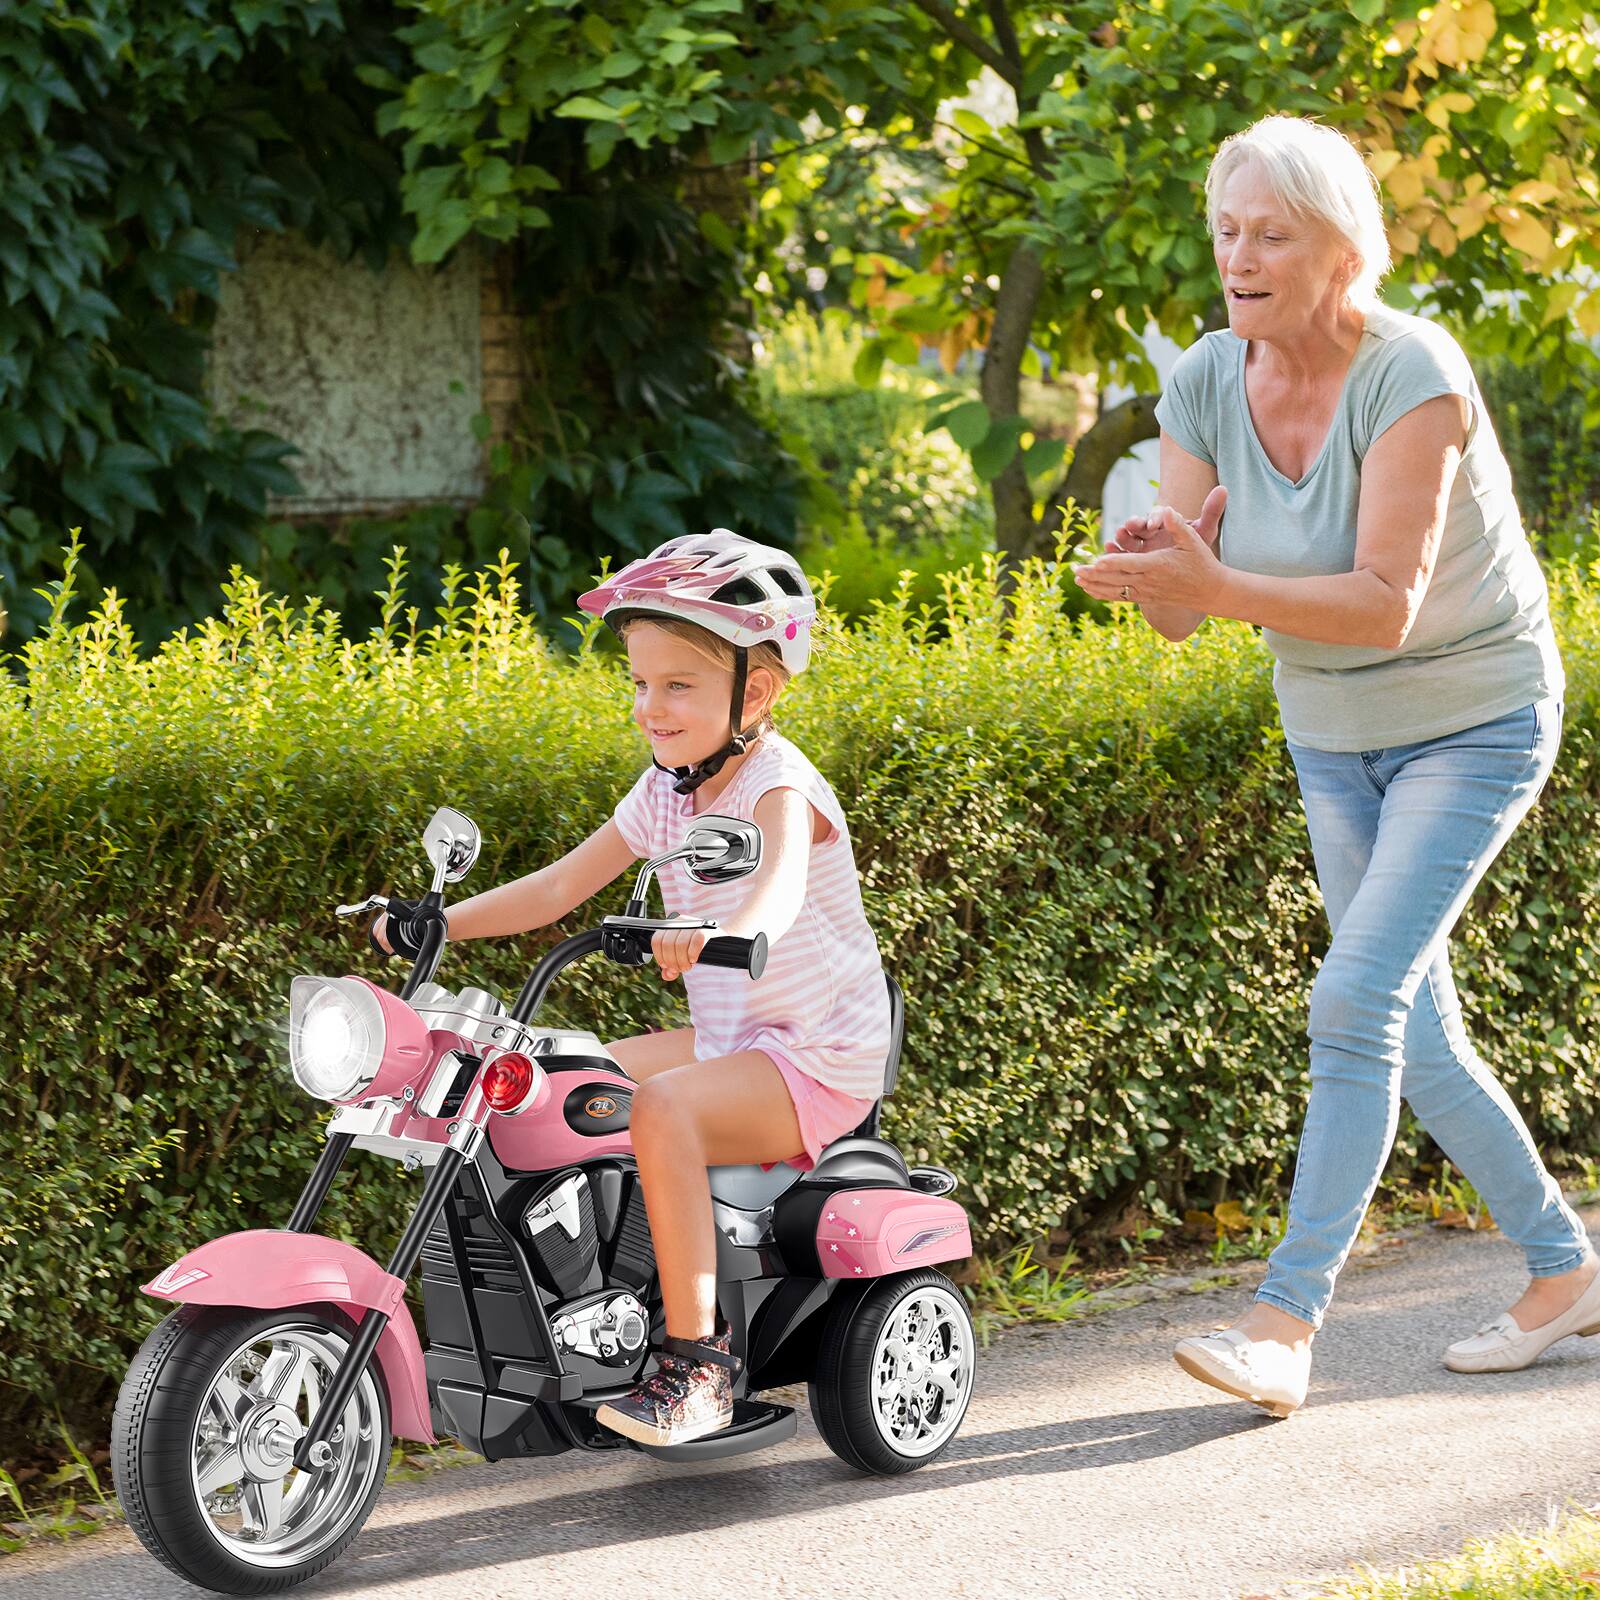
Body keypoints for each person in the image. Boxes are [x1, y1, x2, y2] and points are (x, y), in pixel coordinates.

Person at [1072, 114, 1598, 1417]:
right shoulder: (1205, 379)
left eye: (1271, 233)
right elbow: (1190, 612)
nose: (1238, 257)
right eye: (1226, 231)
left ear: (1342, 250)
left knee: (1354, 1001)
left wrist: (1212, 582)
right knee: (1415, 1034)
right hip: (1332, 732)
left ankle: (1282, 1324)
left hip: (1473, 716)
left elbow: (1384, 604)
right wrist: (1157, 572)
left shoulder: (1413, 371)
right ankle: (1565, 1271)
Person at [374, 529, 891, 1445]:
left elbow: (775, 888)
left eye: (678, 685)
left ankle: (700, 1367)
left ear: (755, 693)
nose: (652, 707)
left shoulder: (781, 786)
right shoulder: (667, 789)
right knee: (569, 1080)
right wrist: (436, 922)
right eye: (640, 683)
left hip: (817, 1053)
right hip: (737, 1041)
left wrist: (727, 933)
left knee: (663, 1112)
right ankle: (606, 1309)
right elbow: (557, 888)